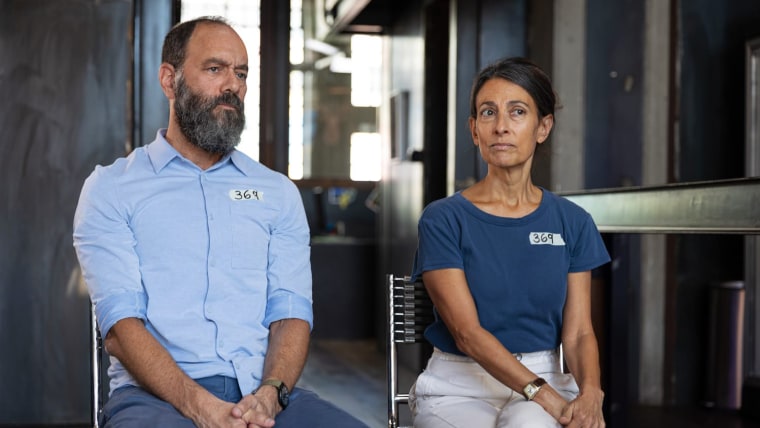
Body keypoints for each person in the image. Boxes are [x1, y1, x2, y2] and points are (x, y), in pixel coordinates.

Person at [73, 16, 367, 428]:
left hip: (263, 396)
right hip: (157, 398)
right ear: (169, 79)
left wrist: (271, 393)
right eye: (215, 69)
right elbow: (121, 329)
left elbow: (290, 313)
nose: (233, 85)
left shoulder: (276, 193)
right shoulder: (112, 188)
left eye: (241, 73)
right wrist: (201, 407)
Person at [408, 57, 611, 428]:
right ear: (474, 130)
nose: (501, 126)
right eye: (488, 113)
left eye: (517, 112)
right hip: (458, 384)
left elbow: (580, 331)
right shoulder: (443, 219)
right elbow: (467, 334)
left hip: (545, 370)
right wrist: (544, 395)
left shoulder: (573, 221)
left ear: (543, 126)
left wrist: (592, 394)